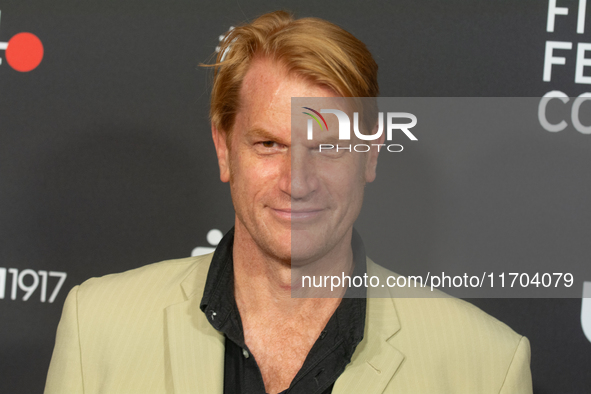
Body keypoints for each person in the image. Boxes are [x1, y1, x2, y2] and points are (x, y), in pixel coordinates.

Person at [45, 10, 532, 394]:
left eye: (327, 148)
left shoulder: (485, 367)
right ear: (224, 149)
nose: (297, 182)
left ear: (370, 156)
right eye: (269, 145)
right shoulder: (99, 326)